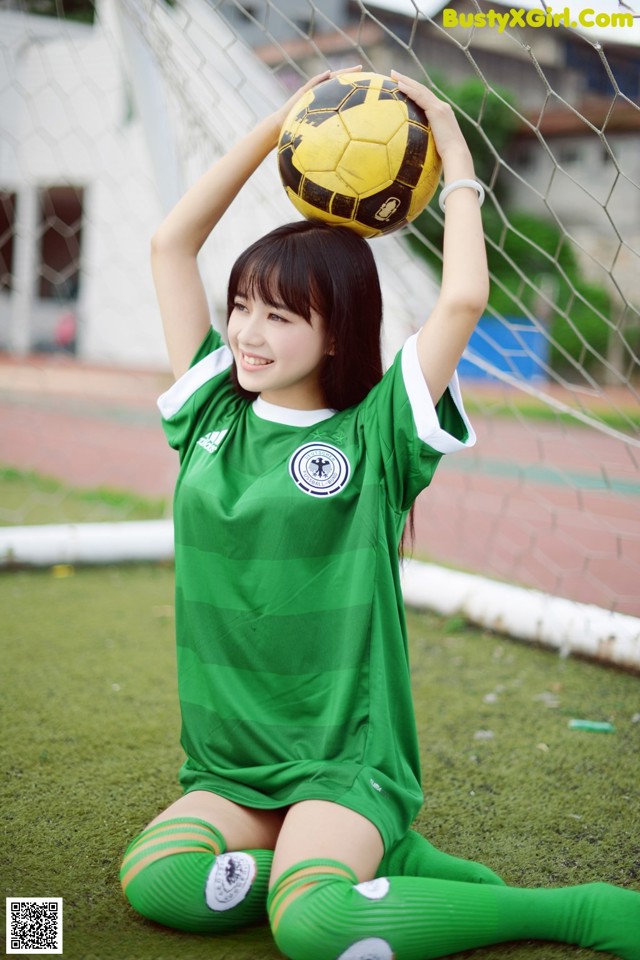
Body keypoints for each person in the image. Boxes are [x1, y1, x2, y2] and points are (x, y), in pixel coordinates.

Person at [119, 68, 639, 960]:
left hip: (343, 764)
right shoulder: (208, 408)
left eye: (279, 315)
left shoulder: (380, 434)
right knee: (158, 880)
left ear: (335, 332)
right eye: (243, 305)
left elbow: (462, 300)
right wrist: (280, 125)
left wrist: (457, 152)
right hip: (232, 771)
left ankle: (568, 909)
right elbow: (172, 244)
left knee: (316, 930)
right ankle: (364, 866)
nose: (246, 332)